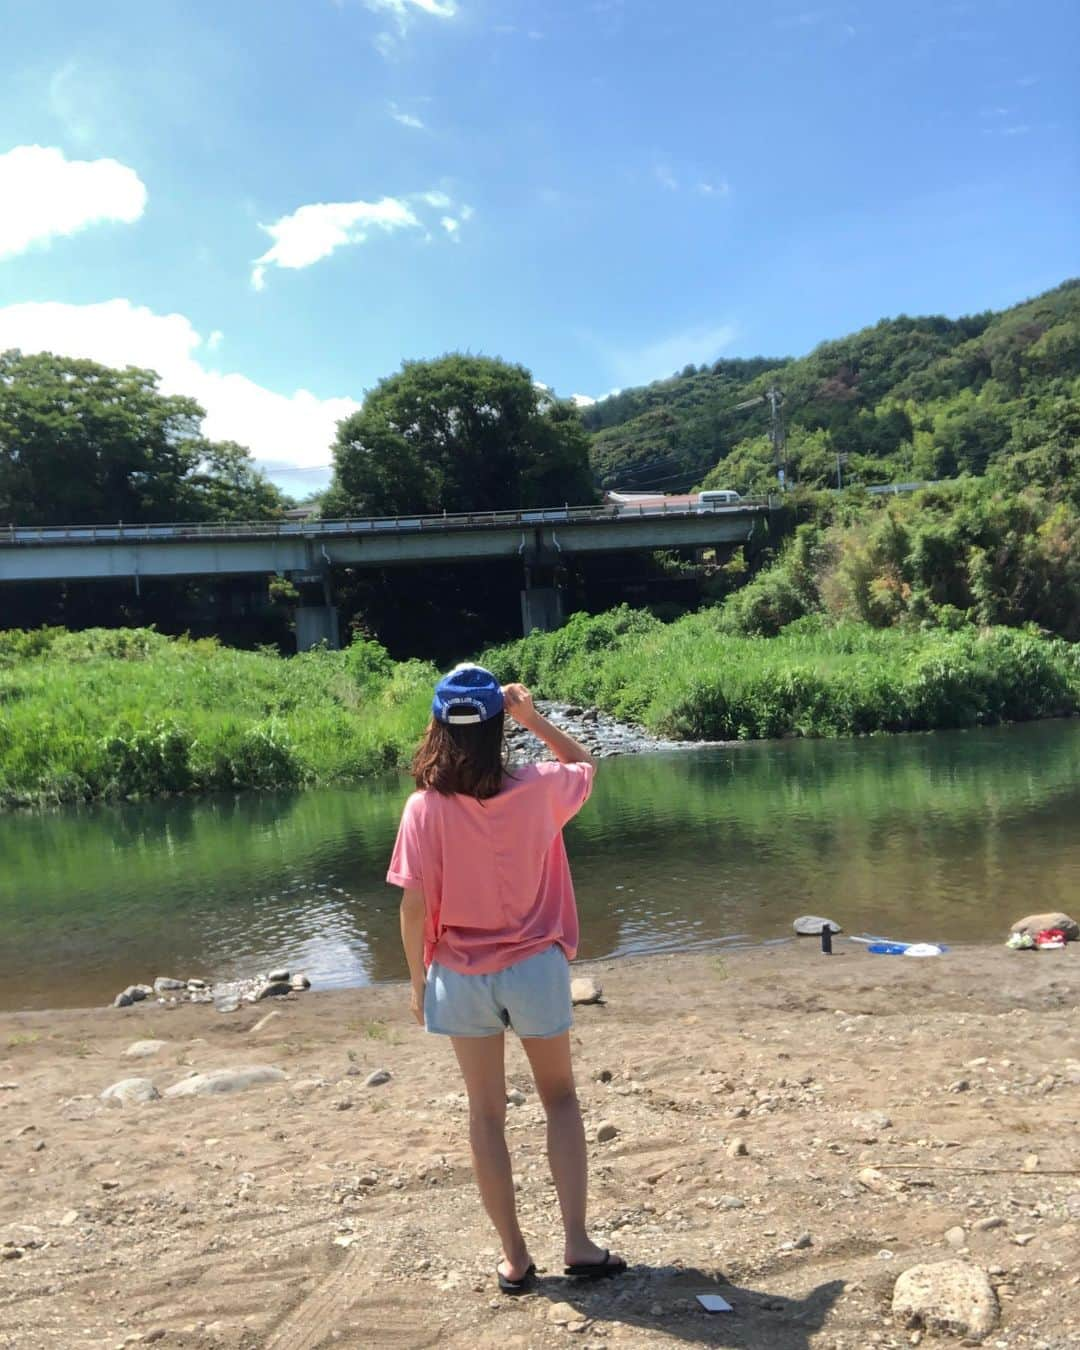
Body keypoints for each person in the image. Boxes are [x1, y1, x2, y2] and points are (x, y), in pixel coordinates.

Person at [388, 663, 626, 1295]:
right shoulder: (539, 787)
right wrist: (532, 716)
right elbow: (586, 763)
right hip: (533, 969)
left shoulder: (422, 809)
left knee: (486, 1115)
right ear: (498, 724)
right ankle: (577, 1244)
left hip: (459, 976)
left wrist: (417, 985)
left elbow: (412, 909)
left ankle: (516, 1259)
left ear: (438, 727)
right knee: (560, 1099)